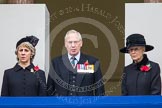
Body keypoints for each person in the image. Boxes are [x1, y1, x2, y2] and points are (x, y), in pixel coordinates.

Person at [47, 30, 105, 96]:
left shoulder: (93, 62)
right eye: (70, 42)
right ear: (65, 44)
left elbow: (99, 90)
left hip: (86, 105)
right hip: (62, 105)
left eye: (76, 42)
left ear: (81, 43)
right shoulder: (56, 63)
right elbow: (49, 89)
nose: (73, 45)